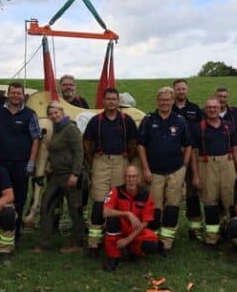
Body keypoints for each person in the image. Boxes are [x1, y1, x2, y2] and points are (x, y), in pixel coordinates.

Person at [83, 87, 138, 257]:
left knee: (118, 201)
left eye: (114, 99)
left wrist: (126, 158)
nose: (111, 102)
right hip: (101, 161)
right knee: (99, 201)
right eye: (108, 99)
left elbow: (133, 142)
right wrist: (95, 161)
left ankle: (116, 238)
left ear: (118, 101)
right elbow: (86, 143)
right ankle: (94, 242)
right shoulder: (96, 121)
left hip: (120, 161)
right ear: (103, 101)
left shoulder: (126, 120)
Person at [0, 82, 41, 238]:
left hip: (21, 164)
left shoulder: (30, 114)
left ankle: (16, 229)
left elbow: (36, 139)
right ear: (8, 94)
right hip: (0, 163)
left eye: (19, 93)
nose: (16, 95)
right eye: (13, 93)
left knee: (20, 198)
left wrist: (31, 162)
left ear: (23, 96)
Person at [137, 86, 192, 253]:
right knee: (154, 207)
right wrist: (145, 168)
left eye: (168, 100)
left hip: (175, 170)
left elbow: (188, 144)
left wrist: (184, 165)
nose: (165, 102)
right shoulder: (148, 119)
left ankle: (166, 241)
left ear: (173, 101)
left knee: (172, 206)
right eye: (162, 99)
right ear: (157, 101)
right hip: (153, 172)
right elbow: (141, 145)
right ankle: (152, 238)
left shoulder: (180, 120)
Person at [33, 102, 85, 253]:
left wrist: (75, 174)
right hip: (57, 176)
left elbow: (79, 152)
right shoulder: (56, 129)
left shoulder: (71, 128)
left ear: (62, 112)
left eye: (56, 112)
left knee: (75, 210)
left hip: (70, 175)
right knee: (46, 206)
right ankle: (45, 242)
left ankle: (76, 243)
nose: (54, 116)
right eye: (51, 114)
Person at [190, 97, 237, 246]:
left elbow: (236, 148)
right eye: (209, 107)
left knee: (230, 201)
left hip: (228, 165)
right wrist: (195, 175)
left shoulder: (228, 126)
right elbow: (194, 152)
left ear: (220, 109)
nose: (212, 110)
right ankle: (212, 237)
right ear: (205, 110)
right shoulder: (198, 128)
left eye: (215, 107)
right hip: (206, 166)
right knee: (210, 201)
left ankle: (234, 235)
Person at [102, 165, 159, 272]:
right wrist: (127, 214)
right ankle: (113, 257)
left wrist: (128, 240)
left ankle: (133, 251)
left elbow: (146, 222)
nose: (131, 180)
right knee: (112, 219)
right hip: (120, 228)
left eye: (133, 177)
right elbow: (105, 212)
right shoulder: (116, 191)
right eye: (128, 177)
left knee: (151, 244)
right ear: (124, 178)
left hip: (136, 230)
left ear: (138, 178)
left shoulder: (145, 195)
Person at [171, 79, 205, 240]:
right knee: (172, 192)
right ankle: (170, 228)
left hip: (193, 154)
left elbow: (202, 131)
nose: (181, 92)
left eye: (183, 89)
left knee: (192, 192)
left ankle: (195, 228)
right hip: (173, 155)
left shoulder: (195, 109)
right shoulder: (167, 108)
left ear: (187, 90)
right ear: (174, 91)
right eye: (178, 89)